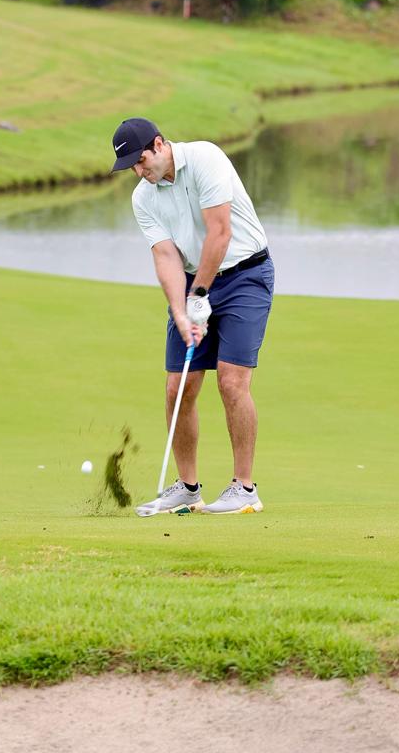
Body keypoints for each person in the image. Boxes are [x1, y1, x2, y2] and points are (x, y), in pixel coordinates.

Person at [110, 116, 274, 515]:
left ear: (159, 144)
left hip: (245, 275)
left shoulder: (205, 159)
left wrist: (199, 293)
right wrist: (181, 311)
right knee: (177, 387)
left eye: (141, 161)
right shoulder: (143, 198)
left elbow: (220, 233)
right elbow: (165, 256)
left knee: (232, 382)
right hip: (191, 281)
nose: (139, 172)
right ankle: (187, 488)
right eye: (131, 167)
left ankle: (244, 488)